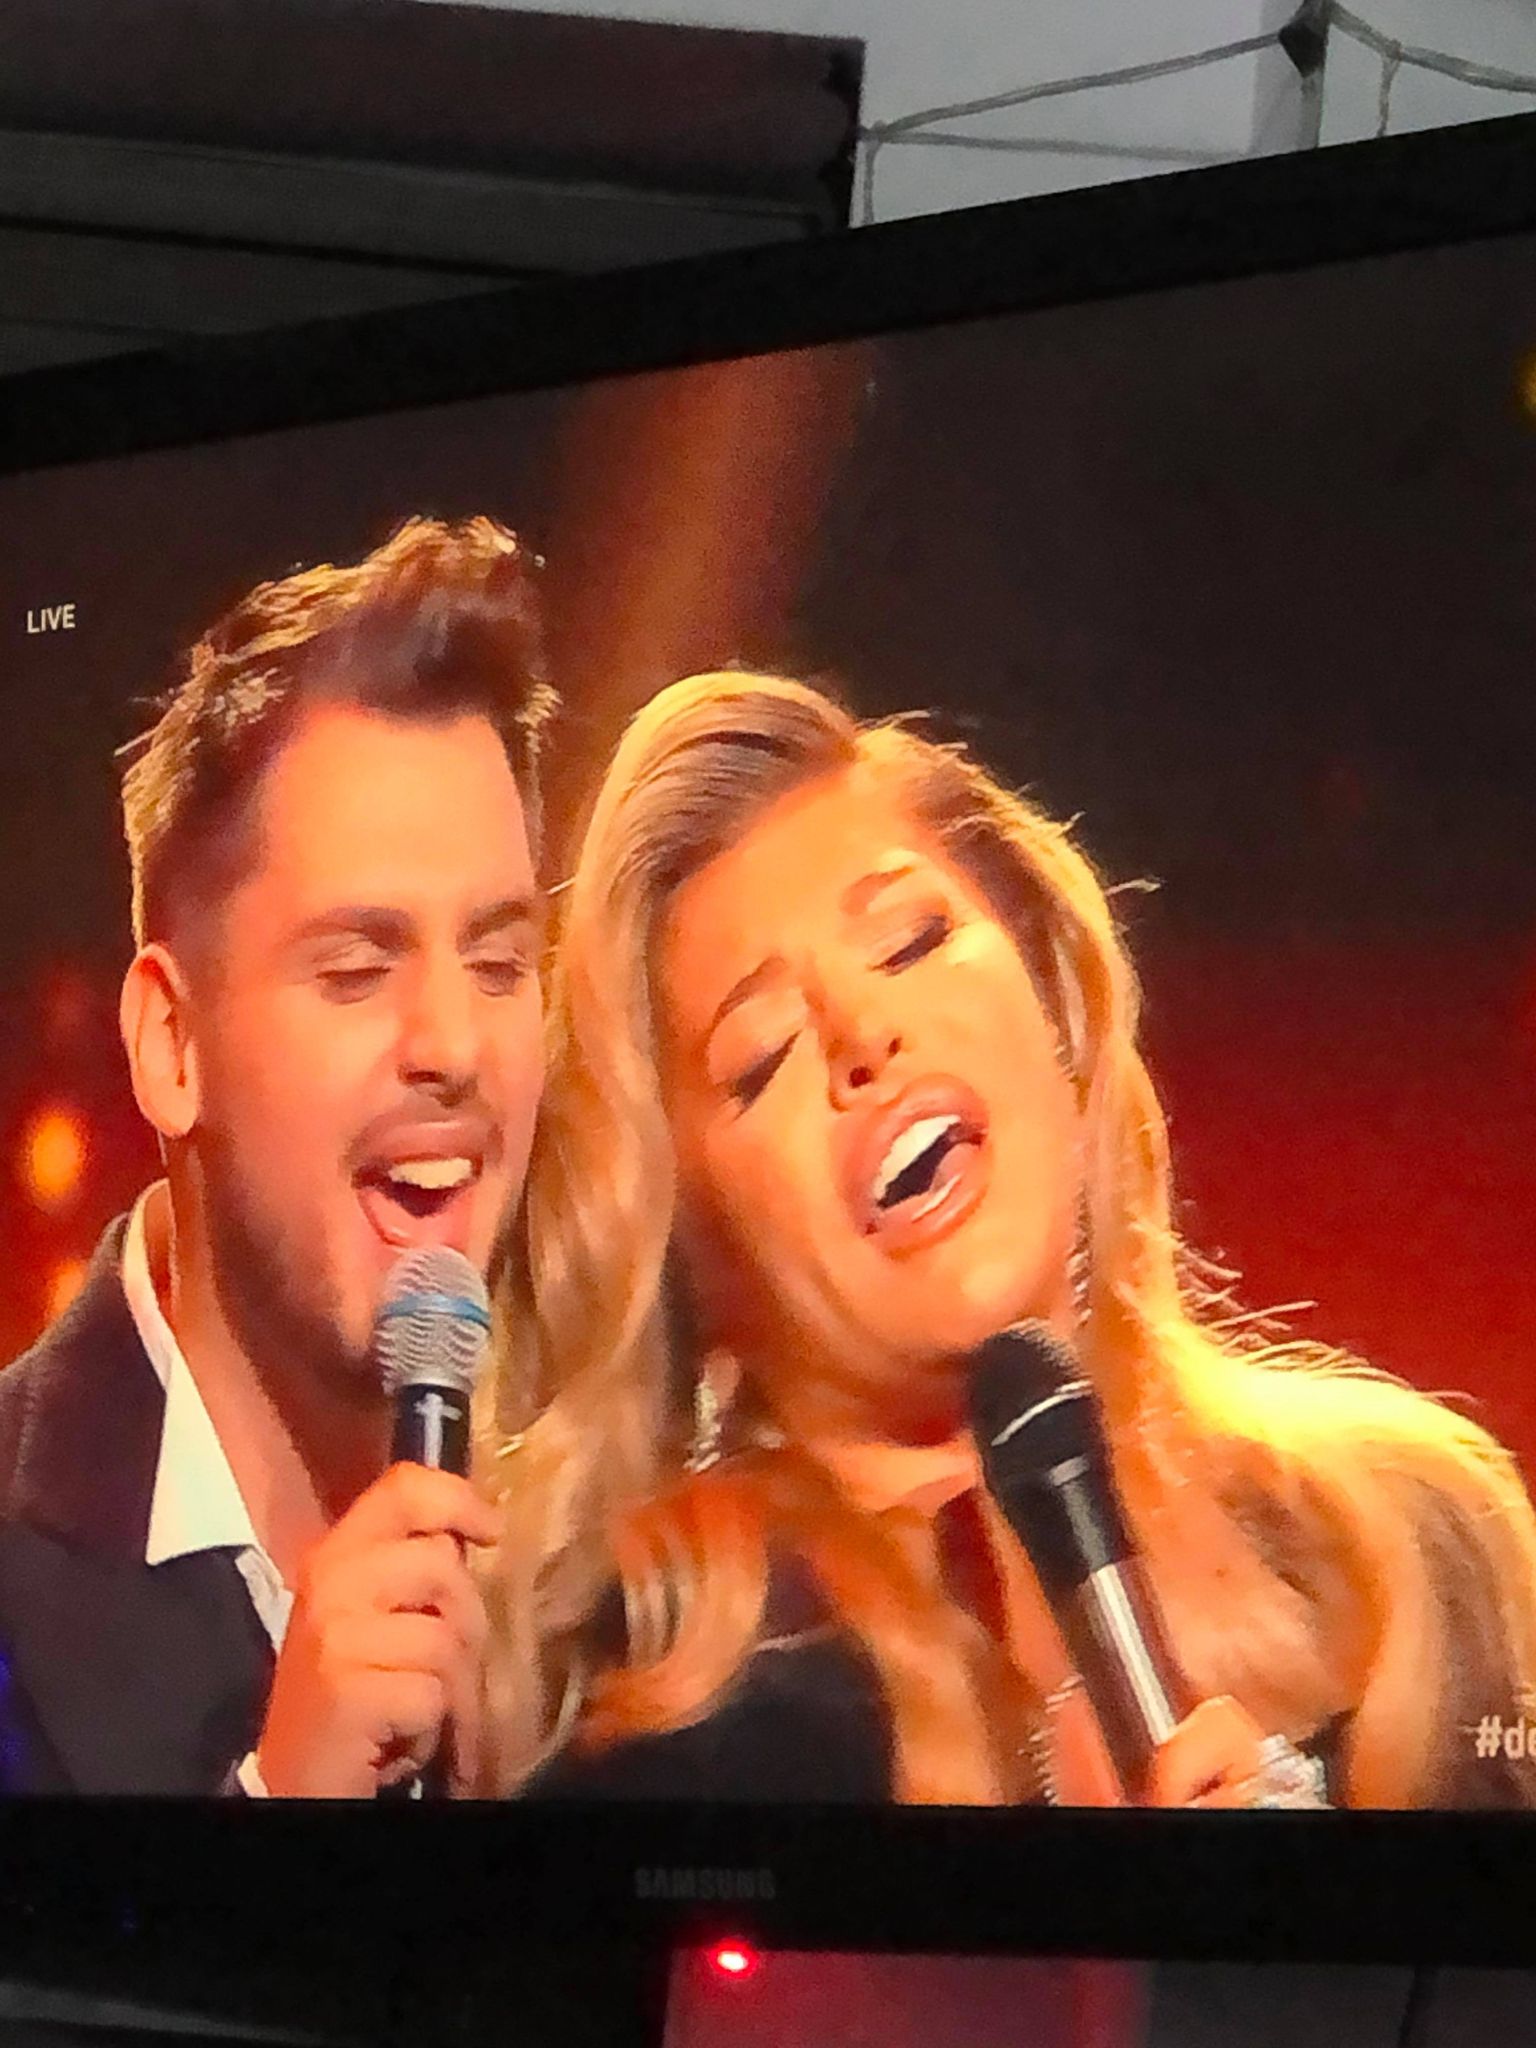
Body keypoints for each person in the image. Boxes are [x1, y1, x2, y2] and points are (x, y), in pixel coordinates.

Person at [478, 668, 1536, 1809]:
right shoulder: (672, 1721)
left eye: (910, 941)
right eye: (762, 1055)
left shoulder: (1417, 1550)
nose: (863, 1033)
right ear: (693, 1256)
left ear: (1054, 997)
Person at [0, 515, 554, 1796]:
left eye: (499, 962)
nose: (453, 1045)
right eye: (356, 968)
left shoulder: (608, 1565)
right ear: (172, 1044)